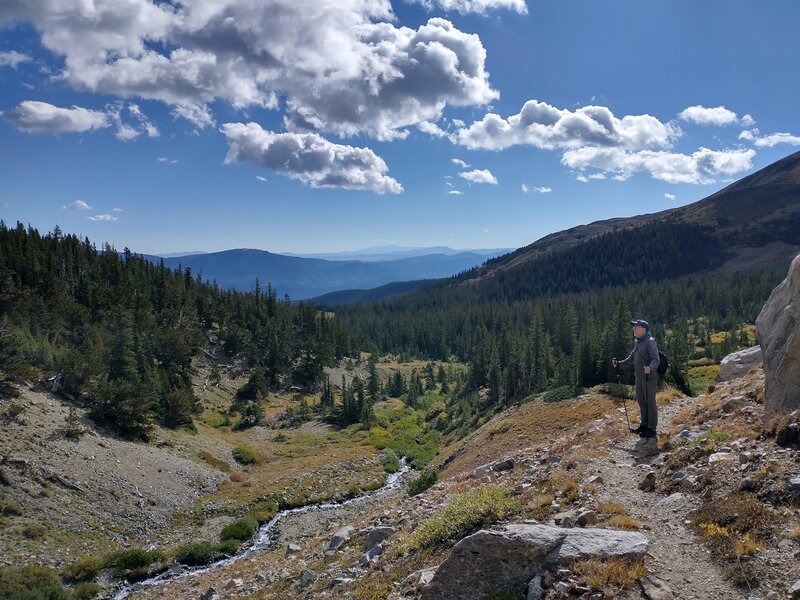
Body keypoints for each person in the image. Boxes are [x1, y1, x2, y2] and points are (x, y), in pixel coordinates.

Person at [613, 319, 660, 438]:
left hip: (649, 378)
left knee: (650, 402)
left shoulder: (650, 342)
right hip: (639, 377)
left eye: (636, 327)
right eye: (633, 327)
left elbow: (656, 359)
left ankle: (651, 429)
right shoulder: (637, 342)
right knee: (642, 402)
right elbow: (632, 358)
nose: (633, 329)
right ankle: (644, 425)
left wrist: (650, 367)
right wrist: (619, 363)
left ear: (643, 329)